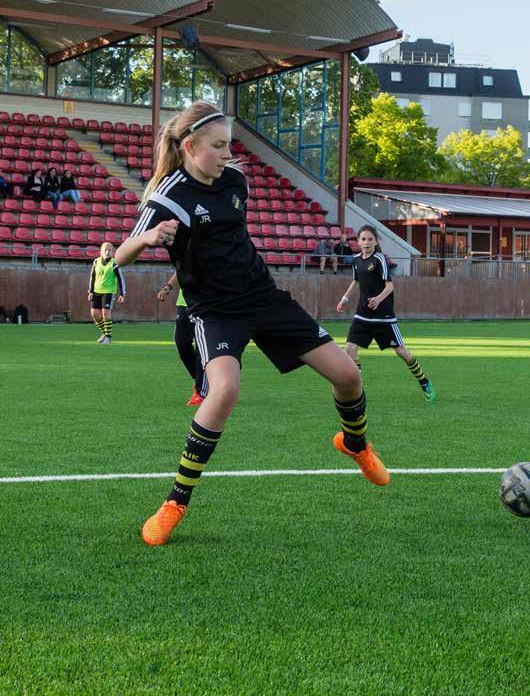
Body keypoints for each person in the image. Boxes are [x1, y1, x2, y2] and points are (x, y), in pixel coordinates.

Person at [115, 101, 389, 548]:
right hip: (215, 311)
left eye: (230, 144)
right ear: (189, 146)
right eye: (218, 146)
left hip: (264, 297)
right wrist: (146, 238)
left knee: (349, 375)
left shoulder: (236, 180)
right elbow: (118, 255)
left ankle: (355, 444)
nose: (228, 154)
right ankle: (175, 502)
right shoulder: (168, 195)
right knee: (224, 390)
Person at [336, 224, 436, 403]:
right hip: (362, 315)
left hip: (384, 317)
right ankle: (358, 389)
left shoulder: (380, 259)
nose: (366, 242)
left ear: (375, 242)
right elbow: (355, 281)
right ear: (358, 241)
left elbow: (390, 286)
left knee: (401, 352)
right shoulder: (356, 260)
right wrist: (345, 298)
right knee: (350, 349)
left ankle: (424, 381)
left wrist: (378, 299)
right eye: (363, 239)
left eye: (370, 239)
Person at [158, 272, 207, 407]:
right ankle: (201, 380)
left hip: (206, 304)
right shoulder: (185, 253)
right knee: (182, 343)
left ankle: (200, 392)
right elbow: (180, 272)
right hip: (184, 303)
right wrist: (167, 287)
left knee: (201, 347)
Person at [87, 241, 126, 344]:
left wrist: (122, 294)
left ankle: (108, 338)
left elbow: (121, 279)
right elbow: (93, 277)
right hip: (96, 291)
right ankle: (104, 333)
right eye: (105, 250)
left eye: (109, 250)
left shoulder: (114, 264)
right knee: (95, 314)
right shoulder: (96, 262)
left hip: (108, 292)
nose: (107, 252)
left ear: (113, 252)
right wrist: (90, 291)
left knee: (105, 313)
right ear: (101, 252)